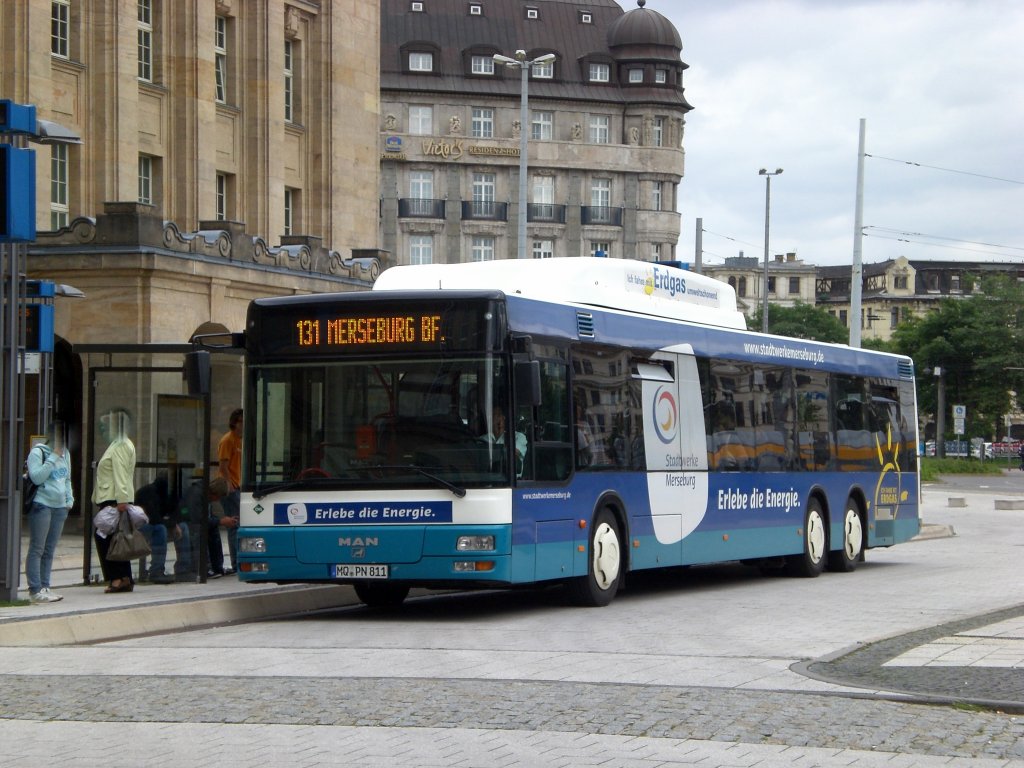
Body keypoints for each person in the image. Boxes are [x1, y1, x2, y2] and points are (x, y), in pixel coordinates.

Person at [24, 422, 74, 603]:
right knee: (37, 547)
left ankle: (45, 586)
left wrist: (70, 500)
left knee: (49, 549)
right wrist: (53, 457)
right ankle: (35, 589)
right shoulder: (39, 453)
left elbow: (67, 479)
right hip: (42, 505)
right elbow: (37, 477)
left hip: (60, 507)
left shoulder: (66, 454)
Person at [92, 407, 137, 593]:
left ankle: (117, 578)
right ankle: (124, 577)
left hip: (113, 499)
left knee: (106, 537)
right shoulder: (122, 443)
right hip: (114, 498)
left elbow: (120, 474)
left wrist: (121, 501)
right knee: (117, 538)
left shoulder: (119, 445)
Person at [217, 409, 243, 573]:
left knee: (238, 523)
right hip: (230, 486)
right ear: (234, 422)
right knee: (235, 523)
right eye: (240, 421)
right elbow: (223, 465)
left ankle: (237, 560)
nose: (242, 425)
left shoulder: (240, 440)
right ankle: (236, 563)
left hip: (237, 484)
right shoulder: (228, 440)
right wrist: (229, 483)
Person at [480, 406, 527, 474]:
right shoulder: (482, 439)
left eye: (500, 415)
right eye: (495, 416)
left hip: (510, 481)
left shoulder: (518, 437)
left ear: (504, 418)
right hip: (487, 478)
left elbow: (513, 454)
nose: (499, 419)